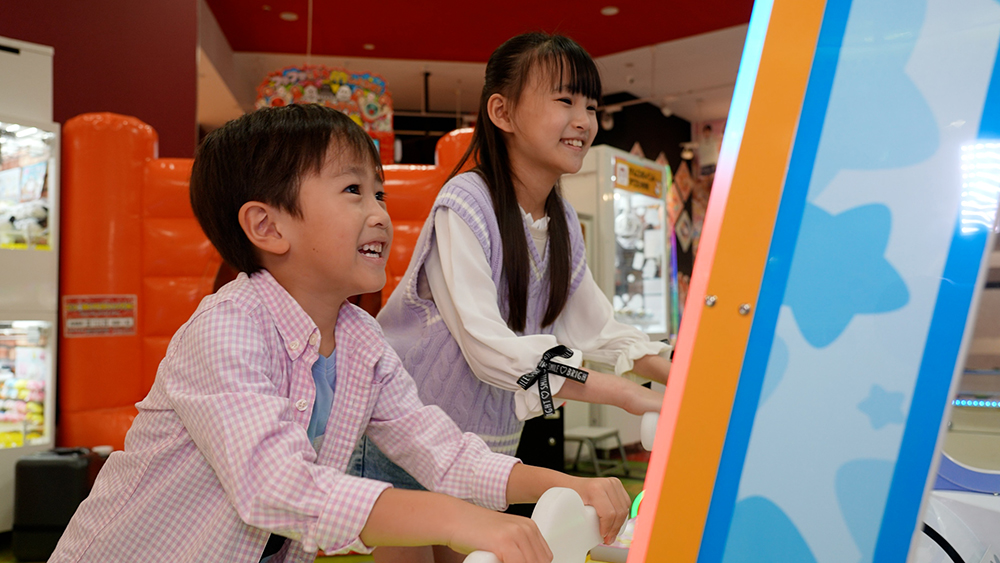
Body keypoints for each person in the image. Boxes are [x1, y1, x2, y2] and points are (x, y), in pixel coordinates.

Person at [48, 104, 630, 563]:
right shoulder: (228, 328)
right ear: (266, 225)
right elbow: (279, 487)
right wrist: (461, 520)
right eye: (353, 191)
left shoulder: (362, 341)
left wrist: (561, 484)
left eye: (379, 192)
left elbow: (443, 452)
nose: (379, 212)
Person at [366, 32, 673, 563]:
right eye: (565, 100)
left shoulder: (561, 219)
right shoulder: (465, 203)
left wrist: (683, 380)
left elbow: (597, 328)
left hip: (482, 453)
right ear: (502, 112)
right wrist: (627, 395)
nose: (584, 121)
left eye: (591, 106)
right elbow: (489, 349)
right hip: (408, 440)